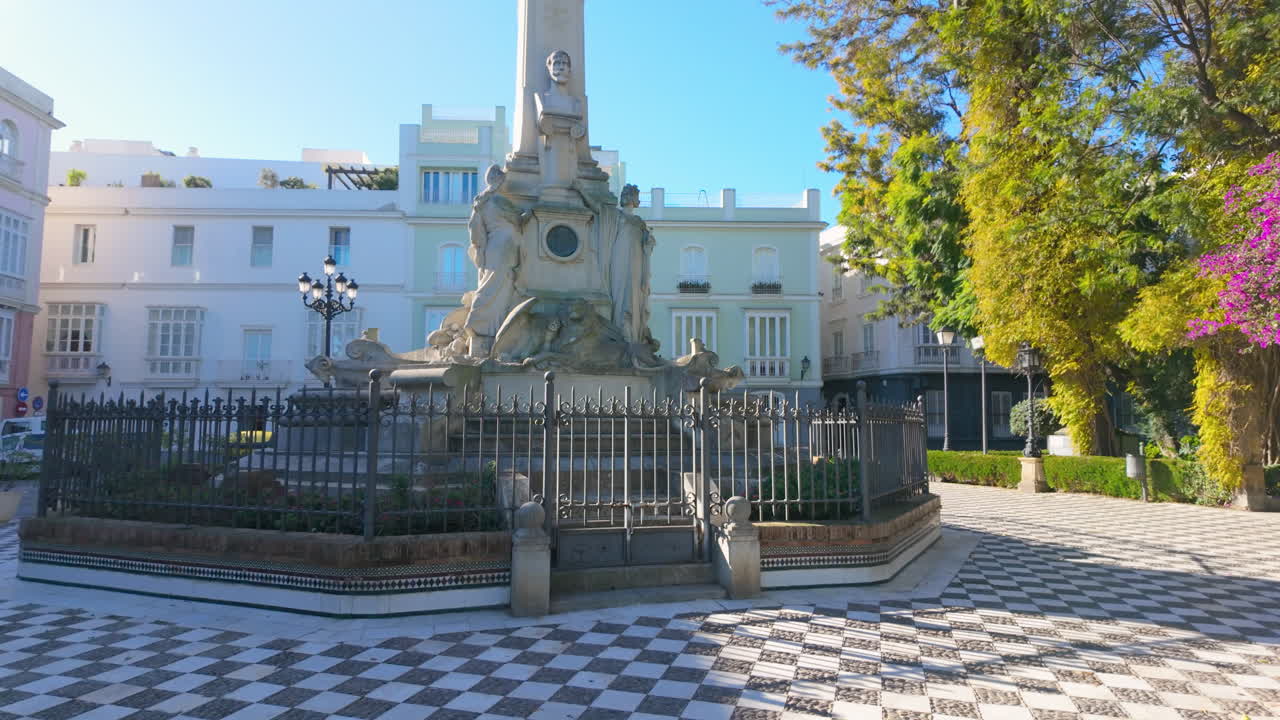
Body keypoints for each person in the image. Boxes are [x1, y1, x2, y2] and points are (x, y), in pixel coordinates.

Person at [464, 164, 530, 357]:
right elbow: (520, 219)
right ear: (500, 181)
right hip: (505, 249)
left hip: (494, 249)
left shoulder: (482, 203)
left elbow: (475, 233)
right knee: (500, 287)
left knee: (492, 286)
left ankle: (483, 327)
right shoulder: (499, 202)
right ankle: (482, 327)